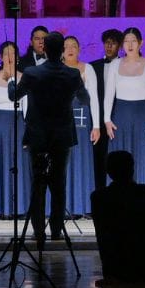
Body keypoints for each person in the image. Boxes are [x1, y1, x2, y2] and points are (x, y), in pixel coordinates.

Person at [8, 32, 89, 247]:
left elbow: (14, 96)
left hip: (38, 134)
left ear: (44, 49)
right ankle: (55, 230)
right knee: (58, 181)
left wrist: (10, 82)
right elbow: (85, 98)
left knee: (37, 182)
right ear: (62, 50)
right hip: (62, 134)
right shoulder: (72, 74)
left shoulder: (32, 72)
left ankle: (37, 231)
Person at [90, 151, 145, 284]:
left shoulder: (98, 197)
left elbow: (102, 235)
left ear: (108, 172)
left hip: (115, 268)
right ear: (132, 169)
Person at [104, 27, 145, 187]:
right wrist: (107, 120)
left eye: (133, 41)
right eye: (126, 41)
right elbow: (109, 94)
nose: (129, 45)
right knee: (120, 155)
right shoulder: (115, 64)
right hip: (121, 115)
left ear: (140, 43)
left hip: (143, 115)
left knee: (142, 154)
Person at [0, 41, 30, 217]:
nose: (10, 57)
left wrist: (28, 131)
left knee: (17, 165)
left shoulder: (24, 77)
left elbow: (27, 107)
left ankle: (19, 207)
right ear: (0, 57)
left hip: (17, 123)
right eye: (6, 53)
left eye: (13, 54)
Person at [62, 35, 101, 216]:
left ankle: (81, 206)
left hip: (82, 121)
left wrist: (96, 126)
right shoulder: (56, 69)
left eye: (74, 46)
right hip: (60, 121)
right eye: (67, 46)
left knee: (80, 160)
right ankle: (61, 206)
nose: (70, 49)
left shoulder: (87, 69)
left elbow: (92, 98)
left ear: (79, 49)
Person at [89, 28, 123, 190]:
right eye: (107, 43)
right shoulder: (93, 66)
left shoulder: (125, 66)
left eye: (113, 43)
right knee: (98, 156)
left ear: (120, 46)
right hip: (97, 119)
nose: (109, 46)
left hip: (118, 116)